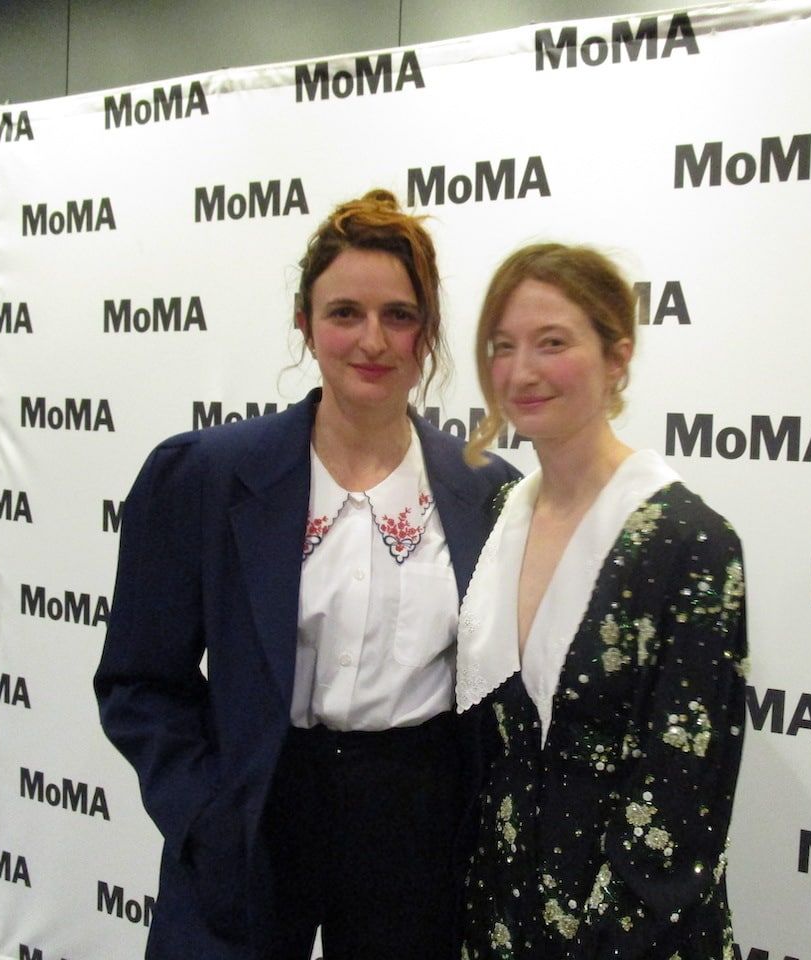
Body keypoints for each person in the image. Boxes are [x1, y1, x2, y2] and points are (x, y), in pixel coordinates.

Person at [94, 189, 519, 960]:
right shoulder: (204, 475)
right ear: (305, 323)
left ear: (426, 333)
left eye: (399, 315)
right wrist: (205, 816)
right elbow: (139, 680)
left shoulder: (488, 492)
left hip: (415, 829)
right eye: (344, 313)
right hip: (256, 812)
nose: (372, 340)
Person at [456, 243, 749, 959]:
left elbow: (681, 801)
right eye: (503, 346)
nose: (521, 371)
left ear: (617, 357)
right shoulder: (499, 513)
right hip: (500, 915)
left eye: (552, 343)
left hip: (632, 931)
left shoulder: (688, 542)